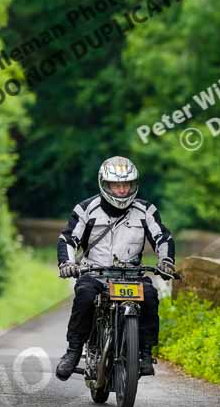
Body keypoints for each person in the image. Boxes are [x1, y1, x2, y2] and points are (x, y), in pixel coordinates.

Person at [55, 156, 176, 381]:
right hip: (95, 274)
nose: (121, 190)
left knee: (150, 295)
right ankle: (73, 351)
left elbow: (163, 237)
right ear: (105, 184)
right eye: (116, 185)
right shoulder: (86, 209)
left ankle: (145, 353)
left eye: (126, 185)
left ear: (133, 185)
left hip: (131, 275)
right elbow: (68, 239)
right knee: (84, 295)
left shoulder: (146, 211)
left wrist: (166, 261)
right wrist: (68, 264)